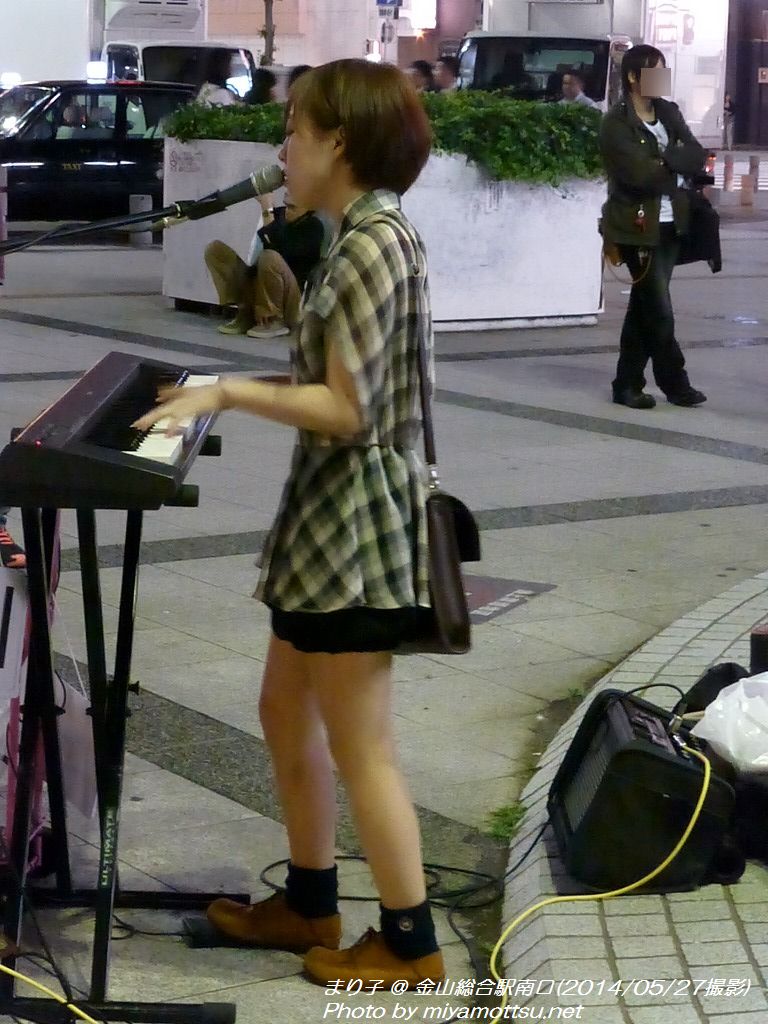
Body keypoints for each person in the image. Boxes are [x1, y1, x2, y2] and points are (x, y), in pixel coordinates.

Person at [134, 57, 442, 990]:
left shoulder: (371, 246)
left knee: (361, 742)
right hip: (327, 522)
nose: (282, 149)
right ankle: (309, 901)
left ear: (338, 142)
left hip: (355, 530)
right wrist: (218, 388)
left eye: (295, 131)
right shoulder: (358, 236)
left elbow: (348, 409)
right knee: (283, 706)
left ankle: (411, 943)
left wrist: (227, 391)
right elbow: (332, 384)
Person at [599, 44, 707, 410]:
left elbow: (696, 155)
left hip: (672, 223)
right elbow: (639, 175)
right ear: (633, 76)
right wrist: (674, 163)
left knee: (644, 308)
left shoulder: (668, 112)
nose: (662, 77)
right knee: (658, 308)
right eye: (654, 70)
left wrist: (665, 160)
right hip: (636, 226)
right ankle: (675, 383)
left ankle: (626, 385)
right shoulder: (617, 122)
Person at [204, 193, 325, 337]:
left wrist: (267, 208)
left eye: (293, 208)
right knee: (216, 250)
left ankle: (273, 319)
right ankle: (246, 312)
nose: (287, 211)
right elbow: (260, 250)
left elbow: (279, 247)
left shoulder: (314, 226)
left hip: (292, 302)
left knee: (270, 256)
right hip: (263, 286)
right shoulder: (278, 214)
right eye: (287, 206)